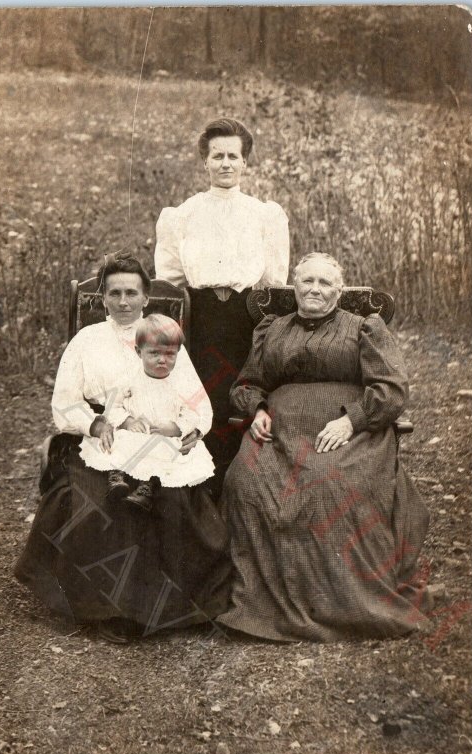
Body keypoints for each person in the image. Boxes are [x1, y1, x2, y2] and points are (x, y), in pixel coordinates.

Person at [15, 251, 231, 644]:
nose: (124, 301)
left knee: (173, 499)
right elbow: (65, 402)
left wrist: (186, 429)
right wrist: (95, 422)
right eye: (114, 293)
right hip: (102, 434)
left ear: (146, 296)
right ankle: (109, 608)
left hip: (158, 438)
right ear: (102, 298)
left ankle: (175, 607)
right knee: (99, 499)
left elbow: (196, 401)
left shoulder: (162, 338)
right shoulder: (87, 340)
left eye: (132, 292)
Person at [217, 252, 433, 642]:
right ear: (295, 285)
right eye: (307, 281)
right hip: (280, 431)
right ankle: (262, 602)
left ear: (339, 290)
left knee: (329, 484)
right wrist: (259, 409)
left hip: (348, 430)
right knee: (245, 483)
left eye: (325, 283)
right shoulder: (272, 328)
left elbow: (391, 389)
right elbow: (247, 383)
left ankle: (341, 603)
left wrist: (352, 419)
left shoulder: (364, 327)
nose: (315, 289)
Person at [155, 117, 290, 496]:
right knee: (203, 398)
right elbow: (169, 281)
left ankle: (244, 490)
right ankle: (202, 491)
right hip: (201, 319)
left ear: (245, 162)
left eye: (234, 156)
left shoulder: (264, 215)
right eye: (218, 156)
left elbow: (274, 282)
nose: (226, 163)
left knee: (244, 394)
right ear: (205, 162)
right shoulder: (183, 215)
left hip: (247, 318)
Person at [79, 314, 215, 510]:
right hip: (135, 432)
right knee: (120, 441)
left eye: (170, 354)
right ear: (138, 352)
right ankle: (116, 478)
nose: (162, 360)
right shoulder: (129, 379)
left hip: (161, 436)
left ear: (179, 352)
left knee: (166, 452)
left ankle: (146, 489)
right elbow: (113, 406)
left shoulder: (180, 383)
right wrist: (127, 421)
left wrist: (176, 428)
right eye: (154, 353)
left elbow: (192, 413)